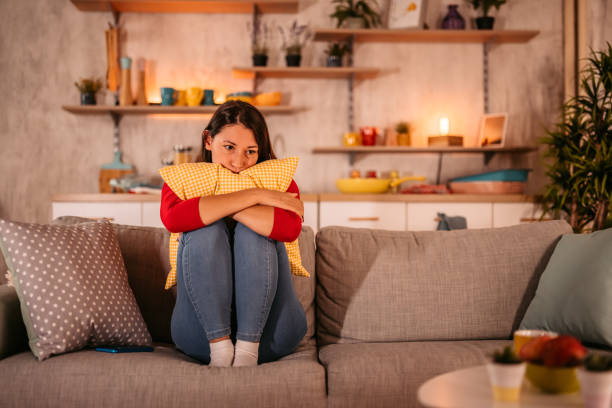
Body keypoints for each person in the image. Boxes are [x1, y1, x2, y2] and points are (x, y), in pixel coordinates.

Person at [160, 100, 307, 367]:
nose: (239, 162)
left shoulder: (278, 180)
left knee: (253, 233)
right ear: (208, 139)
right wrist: (257, 196)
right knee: (205, 230)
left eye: (250, 151)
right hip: (200, 338)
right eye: (229, 147)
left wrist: (219, 204)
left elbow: (289, 228)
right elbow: (173, 219)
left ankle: (248, 348)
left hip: (273, 336)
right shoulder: (183, 180)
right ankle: (221, 347)